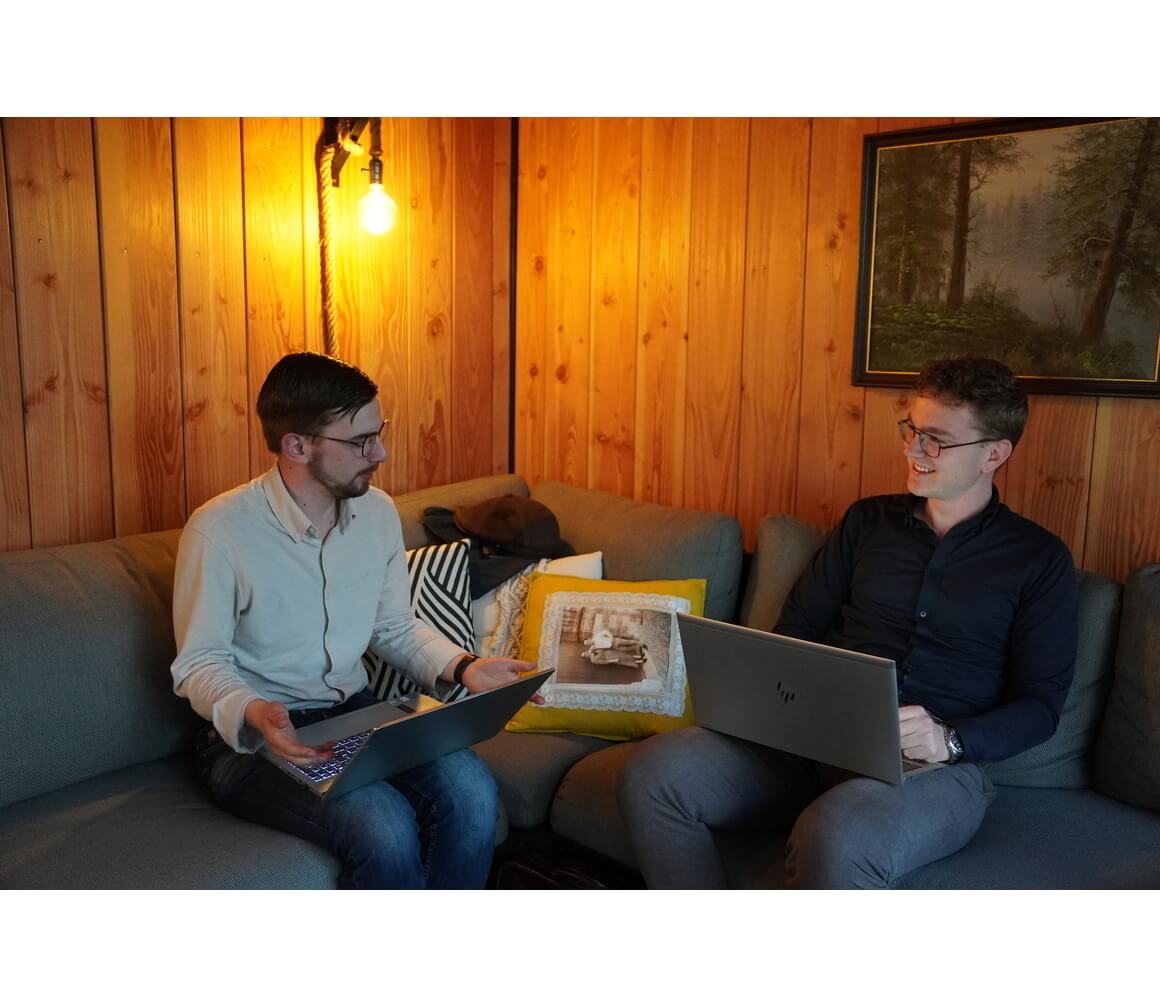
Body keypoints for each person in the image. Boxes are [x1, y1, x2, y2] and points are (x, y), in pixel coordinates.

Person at [617, 356, 1079, 889]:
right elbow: (796, 630)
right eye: (912, 430)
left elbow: (1041, 706)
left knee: (836, 833)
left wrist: (950, 740)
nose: (913, 450)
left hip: (933, 770)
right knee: (654, 773)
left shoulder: (1038, 559)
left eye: (936, 441)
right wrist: (770, 701)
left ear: (994, 454)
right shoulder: (867, 522)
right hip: (810, 740)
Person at [171, 351, 537, 889]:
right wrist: (253, 709)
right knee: (384, 829)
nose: (380, 453)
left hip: (356, 711)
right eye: (361, 441)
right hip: (251, 740)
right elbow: (198, 663)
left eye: (379, 433)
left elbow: (392, 626)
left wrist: (465, 667)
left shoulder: (378, 513)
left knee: (474, 795)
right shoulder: (220, 531)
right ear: (297, 446)